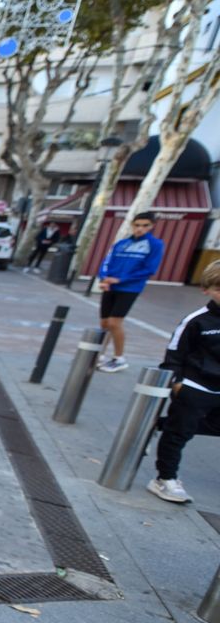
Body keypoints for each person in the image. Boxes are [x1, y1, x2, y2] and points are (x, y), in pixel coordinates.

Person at [149, 262, 220, 504]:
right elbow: (174, 354)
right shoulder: (196, 320)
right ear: (206, 290)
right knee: (179, 434)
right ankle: (164, 478)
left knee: (201, 427)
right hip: (195, 386)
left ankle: (160, 425)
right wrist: (178, 383)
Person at [95, 212, 165, 373]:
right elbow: (107, 261)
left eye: (145, 225)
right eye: (137, 225)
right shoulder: (121, 243)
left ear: (151, 226)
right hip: (110, 287)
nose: (140, 228)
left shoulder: (155, 244)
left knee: (114, 322)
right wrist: (104, 279)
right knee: (104, 323)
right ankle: (99, 354)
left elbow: (149, 269)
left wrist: (121, 280)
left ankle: (119, 358)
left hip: (129, 288)